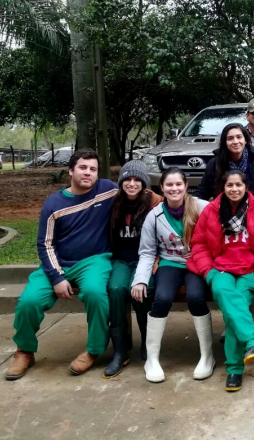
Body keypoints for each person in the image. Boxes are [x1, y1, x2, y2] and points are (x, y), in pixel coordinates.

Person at [6, 149, 118, 380]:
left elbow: (138, 191)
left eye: (93, 169)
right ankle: (24, 350)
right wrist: (57, 277)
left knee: (96, 293)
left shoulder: (108, 190)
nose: (88, 173)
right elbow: (44, 244)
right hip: (59, 263)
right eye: (83, 168)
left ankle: (94, 349)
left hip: (95, 260)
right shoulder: (54, 204)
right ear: (71, 170)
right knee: (29, 301)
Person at [188, 170, 254, 392]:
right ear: (223, 188)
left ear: (246, 186)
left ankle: (234, 369)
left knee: (236, 309)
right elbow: (199, 243)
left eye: (238, 185)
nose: (234, 189)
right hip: (220, 269)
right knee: (229, 299)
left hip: (250, 271)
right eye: (229, 185)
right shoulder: (212, 210)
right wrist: (208, 272)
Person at [131, 168, 211, 383]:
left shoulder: (203, 208)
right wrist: (140, 279)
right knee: (162, 298)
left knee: (195, 297)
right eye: (169, 185)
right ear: (162, 188)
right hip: (169, 264)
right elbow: (147, 252)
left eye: (178, 184)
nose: (174, 188)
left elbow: (216, 238)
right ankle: (152, 358)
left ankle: (206, 356)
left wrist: (209, 258)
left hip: (196, 263)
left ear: (185, 186)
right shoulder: (154, 215)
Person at [104, 160, 163, 379]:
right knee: (116, 289)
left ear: (144, 183)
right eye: (127, 179)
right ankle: (120, 351)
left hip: (147, 258)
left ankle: (148, 346)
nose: (131, 184)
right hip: (121, 259)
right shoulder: (113, 202)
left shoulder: (155, 203)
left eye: (136, 179)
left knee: (142, 291)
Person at [196, 123, 254, 205]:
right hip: (225, 210)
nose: (235, 142)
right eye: (230, 138)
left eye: (239, 137)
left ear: (245, 140)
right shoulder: (215, 163)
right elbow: (203, 190)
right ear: (225, 142)